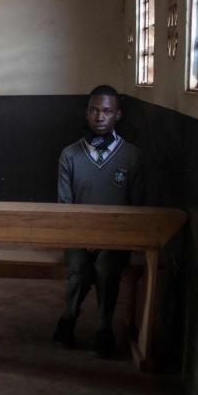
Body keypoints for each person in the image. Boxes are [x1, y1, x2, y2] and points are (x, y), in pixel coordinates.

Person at [52, 85, 143, 358]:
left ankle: (103, 327)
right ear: (87, 113)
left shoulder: (132, 156)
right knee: (79, 268)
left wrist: (113, 239)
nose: (99, 116)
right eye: (94, 110)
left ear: (118, 115)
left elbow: (136, 206)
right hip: (77, 235)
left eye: (106, 111)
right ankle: (68, 318)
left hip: (115, 239)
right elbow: (64, 205)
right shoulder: (70, 154)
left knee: (106, 266)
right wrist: (83, 238)